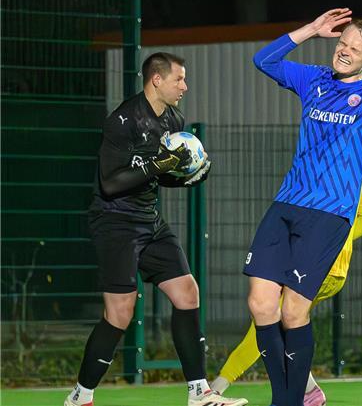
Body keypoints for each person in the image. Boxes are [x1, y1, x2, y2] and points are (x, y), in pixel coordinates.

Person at [245, 8, 362, 406]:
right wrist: (311, 30)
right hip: (286, 204)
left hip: (329, 215)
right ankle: (287, 397)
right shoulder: (314, 79)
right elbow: (262, 60)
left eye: (355, 48)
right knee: (260, 303)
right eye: (341, 43)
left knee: (293, 312)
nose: (344, 51)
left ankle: (287, 401)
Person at [65, 53, 245, 406]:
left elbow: (160, 177)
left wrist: (189, 176)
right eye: (179, 79)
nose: (185, 87)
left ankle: (199, 392)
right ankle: (80, 396)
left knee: (187, 293)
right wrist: (161, 162)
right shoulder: (122, 120)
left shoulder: (174, 119)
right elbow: (111, 183)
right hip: (114, 221)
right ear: (156, 80)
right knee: (120, 313)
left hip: (149, 219)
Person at [211, 178, 362, 406]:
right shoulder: (328, 165)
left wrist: (330, 243)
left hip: (324, 266)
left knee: (269, 316)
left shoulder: (343, 165)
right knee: (274, 316)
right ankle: (309, 390)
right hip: (319, 263)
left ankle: (217, 388)